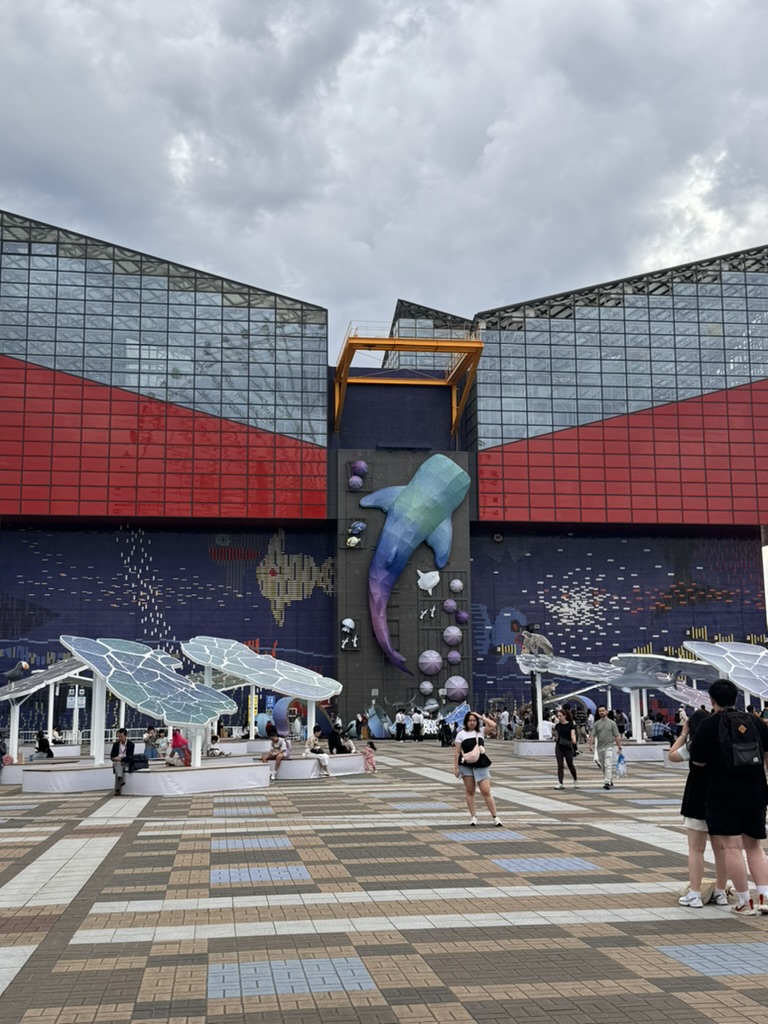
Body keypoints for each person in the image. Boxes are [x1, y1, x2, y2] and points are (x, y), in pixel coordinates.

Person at [690, 678, 768, 916]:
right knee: (755, 846)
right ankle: (765, 898)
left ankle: (745, 901)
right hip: (756, 792)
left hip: (722, 794)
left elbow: (698, 761)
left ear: (712, 701)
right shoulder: (755, 722)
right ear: (736, 698)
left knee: (732, 847)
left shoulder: (708, 725)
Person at [669, 709, 730, 908]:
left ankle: (695, 894)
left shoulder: (694, 745)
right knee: (721, 849)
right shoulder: (723, 741)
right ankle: (721, 891)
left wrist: (683, 733)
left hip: (696, 796)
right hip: (721, 796)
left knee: (696, 849)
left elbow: (672, 756)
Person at [454, 710, 503, 827]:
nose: (472, 723)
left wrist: (481, 717)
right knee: (470, 791)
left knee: (486, 791)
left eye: (474, 721)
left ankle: (495, 816)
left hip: (481, 763)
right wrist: (455, 768)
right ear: (466, 722)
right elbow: (457, 752)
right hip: (466, 765)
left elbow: (493, 725)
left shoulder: (481, 731)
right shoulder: (461, 734)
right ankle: (473, 816)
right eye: (470, 720)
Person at [588, 705, 622, 790]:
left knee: (608, 765)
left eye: (603, 711)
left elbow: (617, 735)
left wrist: (619, 746)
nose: (601, 712)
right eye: (600, 711)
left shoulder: (612, 723)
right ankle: (609, 779)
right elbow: (593, 735)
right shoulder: (597, 724)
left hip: (609, 747)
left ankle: (607, 782)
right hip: (600, 748)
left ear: (606, 711)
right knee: (603, 766)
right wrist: (590, 745)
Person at [553, 708, 578, 790]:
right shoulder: (557, 726)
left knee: (570, 764)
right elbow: (556, 736)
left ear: (565, 716)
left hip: (568, 746)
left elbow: (573, 734)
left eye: (560, 716)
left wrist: (573, 739)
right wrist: (554, 733)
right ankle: (560, 783)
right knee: (560, 765)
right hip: (559, 746)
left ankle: (575, 780)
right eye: (558, 716)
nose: (559, 718)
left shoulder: (570, 725)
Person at [110, 728, 135, 795]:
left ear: (126, 736)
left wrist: (121, 759)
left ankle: (117, 789)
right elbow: (111, 756)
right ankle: (120, 779)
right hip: (117, 761)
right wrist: (116, 758)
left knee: (118, 769)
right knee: (118, 765)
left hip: (126, 761)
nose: (120, 738)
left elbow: (130, 757)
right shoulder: (116, 744)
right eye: (119, 736)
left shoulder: (131, 744)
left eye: (121, 736)